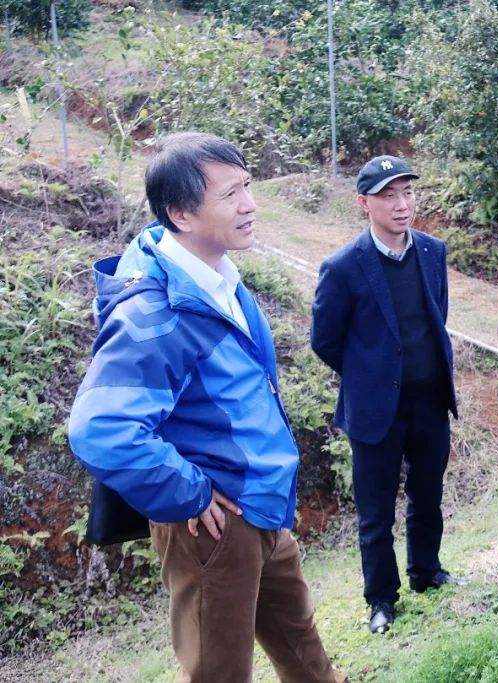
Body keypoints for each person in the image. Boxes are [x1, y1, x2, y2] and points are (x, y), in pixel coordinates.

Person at [68, 132, 346, 682]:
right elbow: (100, 428)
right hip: (214, 528)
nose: (249, 204)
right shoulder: (156, 313)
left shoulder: (216, 276)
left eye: (248, 185)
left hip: (260, 506)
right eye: (229, 194)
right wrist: (188, 491)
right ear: (180, 214)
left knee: (308, 661)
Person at [311, 155, 460, 635]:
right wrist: (369, 376)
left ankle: (426, 572)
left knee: (428, 494)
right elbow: (324, 340)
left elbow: (436, 315)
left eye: (407, 193)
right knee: (375, 511)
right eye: (388, 196)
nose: (401, 205)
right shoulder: (343, 267)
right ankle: (381, 598)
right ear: (364, 203)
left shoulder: (432, 251)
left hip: (429, 400)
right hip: (375, 409)